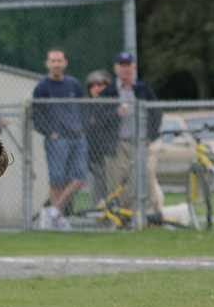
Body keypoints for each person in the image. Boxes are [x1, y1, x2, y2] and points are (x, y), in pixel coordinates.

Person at [100, 51, 164, 217]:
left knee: (140, 179)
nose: (125, 69)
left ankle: (138, 216)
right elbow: (98, 116)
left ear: (134, 67)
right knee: (116, 182)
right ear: (116, 68)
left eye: (128, 65)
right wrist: (116, 113)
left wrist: (150, 136)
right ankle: (118, 217)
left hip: (140, 142)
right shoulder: (109, 91)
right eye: (122, 66)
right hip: (117, 144)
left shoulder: (143, 89)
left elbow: (156, 112)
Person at [32, 48, 87, 229]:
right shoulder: (42, 88)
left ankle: (52, 212)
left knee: (79, 178)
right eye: (53, 61)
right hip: (57, 139)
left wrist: (83, 128)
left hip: (77, 137)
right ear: (47, 64)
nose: (56, 64)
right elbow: (37, 115)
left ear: (65, 63)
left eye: (59, 61)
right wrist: (50, 132)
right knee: (57, 179)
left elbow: (85, 108)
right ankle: (58, 218)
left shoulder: (74, 84)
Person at [84, 70, 115, 207]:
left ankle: (109, 210)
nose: (96, 88)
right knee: (95, 185)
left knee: (109, 185)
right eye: (93, 85)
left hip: (109, 153)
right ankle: (97, 210)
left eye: (101, 84)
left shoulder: (114, 104)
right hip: (89, 153)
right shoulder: (85, 105)